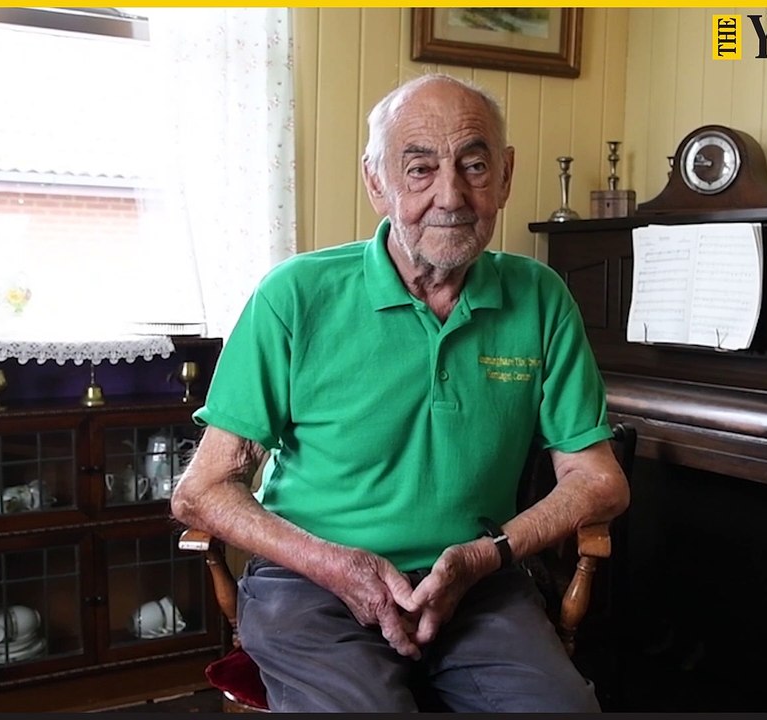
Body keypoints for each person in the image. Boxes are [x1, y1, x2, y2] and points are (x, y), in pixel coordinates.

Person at [170, 73, 630, 713]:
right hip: (312, 584)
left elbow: (600, 480)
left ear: (505, 175)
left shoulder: (541, 297)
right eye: (419, 169)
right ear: (375, 181)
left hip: (476, 585)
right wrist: (335, 566)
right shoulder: (295, 295)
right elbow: (203, 490)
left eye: (474, 165)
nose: (451, 195)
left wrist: (483, 557)